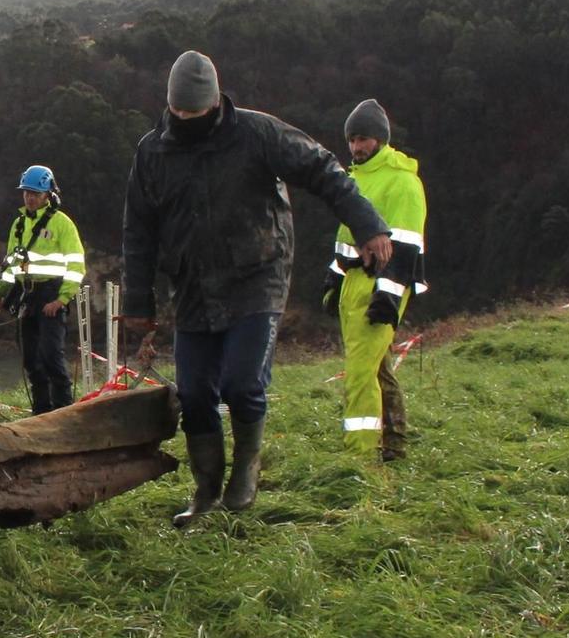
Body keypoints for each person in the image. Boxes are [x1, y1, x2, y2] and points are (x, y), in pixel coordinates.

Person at [119, 51, 391, 527]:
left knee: (242, 384)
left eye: (194, 113)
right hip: (192, 284)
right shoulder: (152, 151)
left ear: (213, 103)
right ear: (169, 105)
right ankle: (205, 491)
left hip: (256, 274)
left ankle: (245, 472)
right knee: (196, 394)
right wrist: (138, 303)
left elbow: (324, 171)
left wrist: (368, 225)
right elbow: (138, 231)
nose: (185, 120)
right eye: (178, 113)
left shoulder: (258, 133)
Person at [322, 98, 428, 460]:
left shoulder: (402, 183)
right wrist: (334, 278)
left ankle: (361, 455)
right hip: (353, 288)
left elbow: (407, 248)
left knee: (360, 374)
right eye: (351, 139)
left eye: (363, 138)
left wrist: (389, 296)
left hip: (378, 289)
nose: (356, 147)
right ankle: (394, 445)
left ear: (381, 139)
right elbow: (345, 239)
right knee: (377, 368)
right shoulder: (353, 180)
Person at [0, 164, 86, 413]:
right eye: (26, 193)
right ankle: (41, 411)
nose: (29, 198)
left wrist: (61, 299)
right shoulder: (19, 224)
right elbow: (11, 264)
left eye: (35, 193)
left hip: (51, 295)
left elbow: (76, 266)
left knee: (51, 355)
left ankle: (64, 410)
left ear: (47, 195)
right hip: (26, 296)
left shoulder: (62, 224)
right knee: (31, 359)